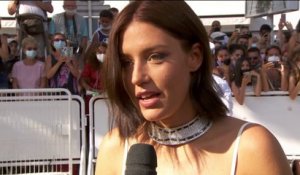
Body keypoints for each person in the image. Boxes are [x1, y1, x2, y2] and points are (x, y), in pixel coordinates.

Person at [95, 1, 292, 175]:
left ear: (194, 57)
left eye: (155, 57)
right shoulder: (115, 148)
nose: (137, 77)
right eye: (126, 62)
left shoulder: (252, 148)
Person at [48, 0, 88, 68]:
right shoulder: (55, 18)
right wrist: (54, 53)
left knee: (76, 73)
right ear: (63, 7)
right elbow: (50, 38)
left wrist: (80, 55)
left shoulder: (81, 19)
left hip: (76, 51)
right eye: (68, 6)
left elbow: (84, 39)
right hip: (59, 52)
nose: (70, 8)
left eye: (73, 6)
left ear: (76, 7)